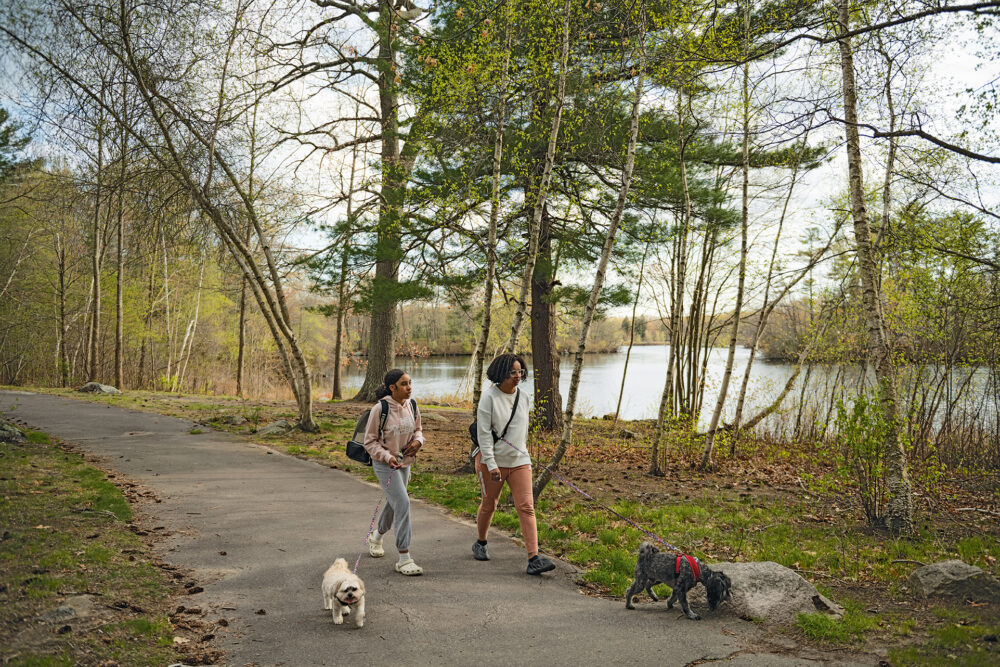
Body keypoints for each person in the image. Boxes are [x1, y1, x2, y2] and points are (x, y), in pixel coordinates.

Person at [473, 354, 556, 576]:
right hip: (492, 462)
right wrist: (490, 464)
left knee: (526, 507)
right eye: (512, 372)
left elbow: (521, 432)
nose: (518, 376)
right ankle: (480, 542)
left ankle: (534, 558)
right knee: (490, 504)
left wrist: (524, 455)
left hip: (520, 461)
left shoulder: (524, 397)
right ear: (501, 374)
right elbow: (483, 434)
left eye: (520, 372)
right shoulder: (489, 398)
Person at [362, 369, 424, 576]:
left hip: (404, 463)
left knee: (395, 501)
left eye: (410, 383)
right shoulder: (380, 409)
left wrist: (418, 442)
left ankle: (377, 536)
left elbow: (418, 430)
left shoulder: (412, 405)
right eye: (404, 384)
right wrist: (387, 457)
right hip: (384, 464)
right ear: (392, 388)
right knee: (403, 502)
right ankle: (404, 558)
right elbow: (369, 441)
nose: (409, 388)